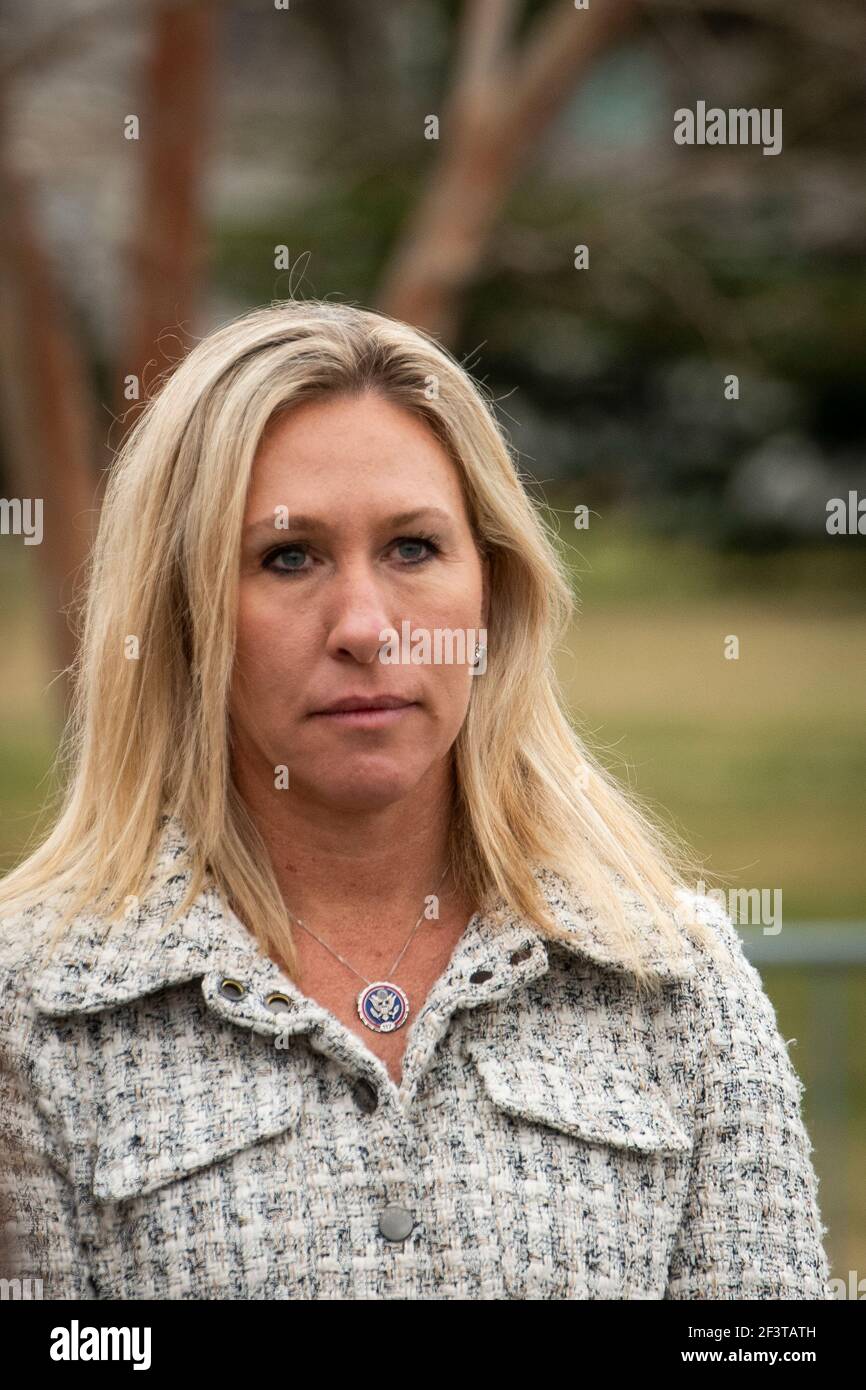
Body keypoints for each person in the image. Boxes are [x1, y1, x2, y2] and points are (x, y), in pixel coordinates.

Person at [0, 298, 831, 1299]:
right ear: (181, 609)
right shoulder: (34, 1010)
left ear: (493, 589)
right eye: (287, 555)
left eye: (411, 549)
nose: (364, 626)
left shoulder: (674, 979)